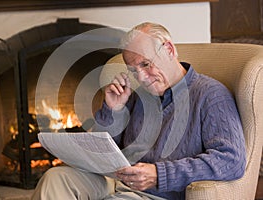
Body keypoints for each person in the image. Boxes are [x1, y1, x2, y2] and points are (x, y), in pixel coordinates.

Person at [32, 22, 246, 200]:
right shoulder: (137, 95)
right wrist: (113, 109)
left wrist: (159, 175)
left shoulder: (211, 95)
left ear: (169, 50)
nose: (141, 77)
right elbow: (102, 150)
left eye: (146, 64)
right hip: (118, 181)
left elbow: (231, 160)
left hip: (157, 194)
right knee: (56, 178)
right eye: (133, 70)